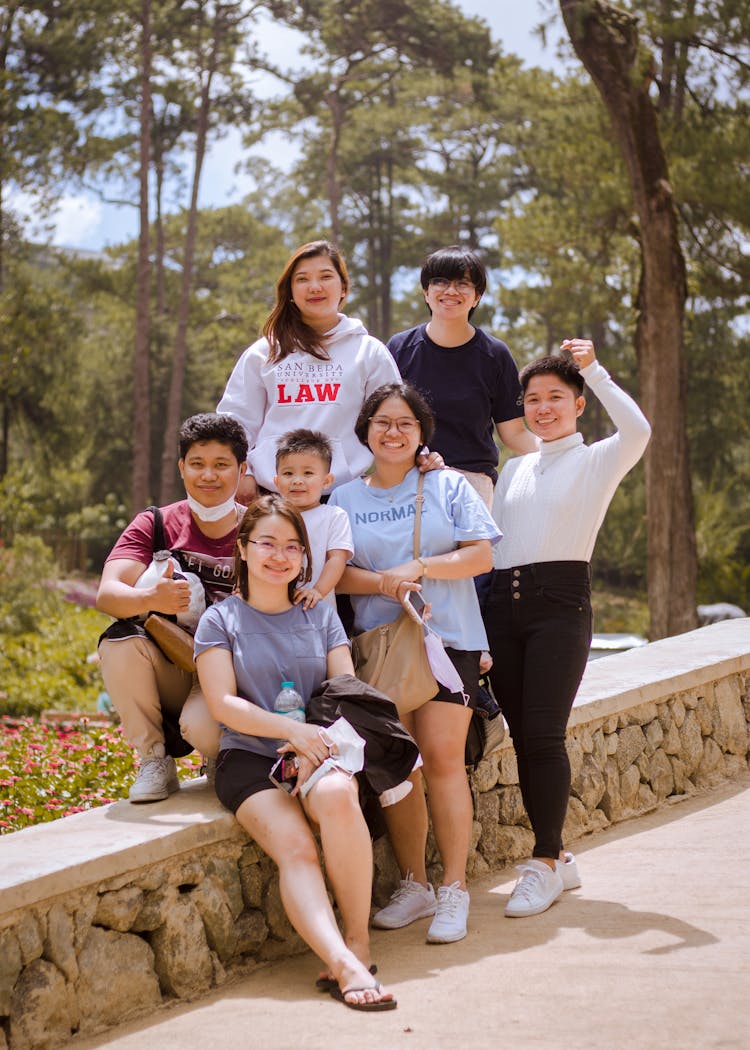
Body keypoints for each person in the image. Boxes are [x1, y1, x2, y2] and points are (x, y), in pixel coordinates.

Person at [193, 495, 397, 1011]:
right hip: (249, 758)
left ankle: (358, 944)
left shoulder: (321, 616)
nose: (279, 556)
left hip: (318, 750)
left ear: (305, 557)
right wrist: (292, 732)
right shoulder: (220, 621)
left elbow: (345, 687)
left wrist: (313, 744)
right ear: (243, 549)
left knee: (336, 796)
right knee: (298, 847)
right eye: (267, 544)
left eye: (292, 547)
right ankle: (344, 966)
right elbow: (222, 704)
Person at [329, 382, 501, 944]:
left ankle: (453, 889)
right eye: (383, 421)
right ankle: (414, 884)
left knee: (445, 760)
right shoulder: (345, 500)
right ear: (366, 430)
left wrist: (420, 567)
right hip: (380, 646)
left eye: (406, 423)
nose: (394, 431)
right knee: (400, 768)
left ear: (422, 433)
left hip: (449, 639)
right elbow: (335, 572)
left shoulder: (447, 484)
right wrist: (385, 580)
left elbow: (480, 555)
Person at [485, 339, 651, 917]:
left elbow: (639, 431)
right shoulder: (514, 469)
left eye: (556, 397)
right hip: (500, 610)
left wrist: (594, 370)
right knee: (525, 740)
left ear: (578, 405)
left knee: (544, 734)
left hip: (560, 607)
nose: (543, 407)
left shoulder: (598, 458)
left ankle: (547, 859)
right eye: (533, 399)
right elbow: (496, 545)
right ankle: (560, 858)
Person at [96, 413, 248, 803]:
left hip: (240, 672)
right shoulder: (156, 524)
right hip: (179, 662)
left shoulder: (260, 527)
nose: (208, 476)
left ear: (242, 469)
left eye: (221, 465)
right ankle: (155, 760)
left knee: (204, 730)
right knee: (118, 643)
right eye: (197, 464)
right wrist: (151, 599)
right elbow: (108, 594)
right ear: (182, 468)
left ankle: (224, 754)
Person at [217, 239, 401, 504]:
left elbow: (393, 419)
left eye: (326, 276)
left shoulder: (369, 352)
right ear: (290, 291)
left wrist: (420, 455)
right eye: (302, 279)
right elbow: (236, 421)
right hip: (270, 496)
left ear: (343, 288)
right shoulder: (264, 352)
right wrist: (240, 472)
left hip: (344, 495)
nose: (315, 287)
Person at [387, 245, 537, 510]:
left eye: (463, 284)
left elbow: (514, 434)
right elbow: (382, 423)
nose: (450, 291)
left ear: (477, 297)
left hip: (473, 487)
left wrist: (560, 452)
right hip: (407, 481)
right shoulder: (399, 350)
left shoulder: (495, 355)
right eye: (440, 281)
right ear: (426, 291)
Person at [273, 429, 352, 609]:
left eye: (308, 473)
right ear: (276, 481)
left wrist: (318, 591)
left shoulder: (334, 516)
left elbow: (337, 559)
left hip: (316, 609)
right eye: (288, 474)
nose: (297, 481)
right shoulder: (269, 516)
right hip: (273, 609)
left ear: (326, 481)